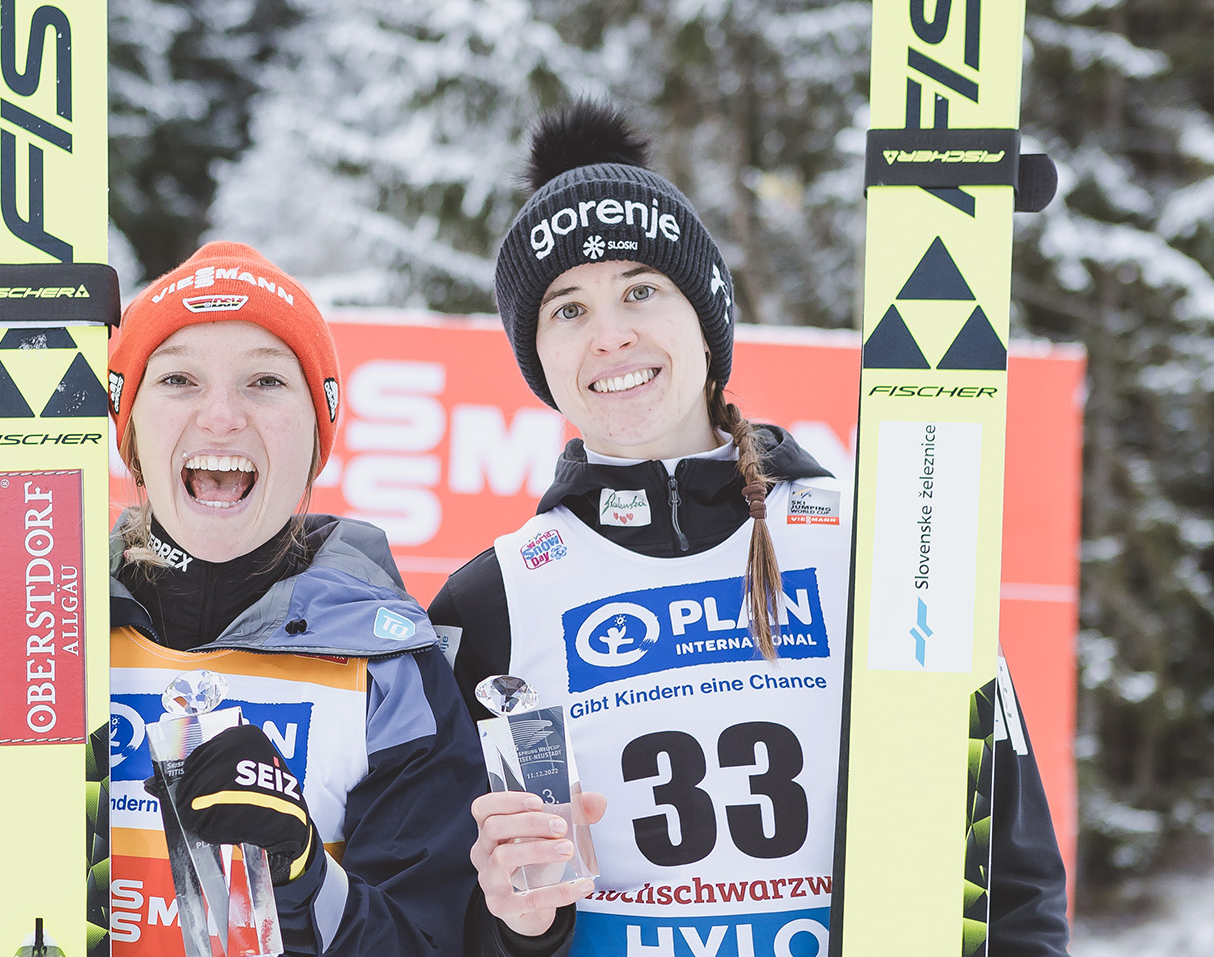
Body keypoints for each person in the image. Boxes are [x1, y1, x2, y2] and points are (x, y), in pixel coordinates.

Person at [427, 103, 1072, 956]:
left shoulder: (881, 551)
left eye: (640, 289)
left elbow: (1010, 881)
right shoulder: (490, 606)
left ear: (707, 319)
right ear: (537, 356)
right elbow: (435, 917)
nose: (610, 333)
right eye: (567, 310)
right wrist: (525, 927)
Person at [0, 241, 485, 957]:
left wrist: (302, 876)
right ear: (130, 426)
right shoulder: (40, 627)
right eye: (178, 380)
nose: (222, 415)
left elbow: (429, 939)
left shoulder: (390, 673)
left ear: (319, 428)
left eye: (265, 380)